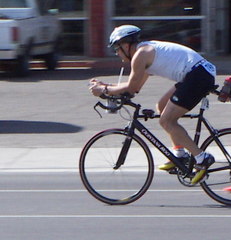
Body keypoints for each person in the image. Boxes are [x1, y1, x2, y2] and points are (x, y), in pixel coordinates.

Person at [89, 25, 216, 184]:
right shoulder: (144, 54)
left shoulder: (141, 55)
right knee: (162, 107)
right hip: (196, 74)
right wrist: (107, 87)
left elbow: (131, 87)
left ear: (126, 45)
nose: (117, 53)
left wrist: (104, 89)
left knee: (166, 121)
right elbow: (133, 89)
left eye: (117, 48)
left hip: (198, 75)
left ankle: (202, 158)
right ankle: (180, 156)